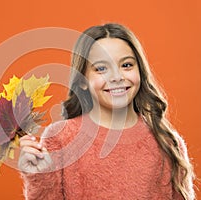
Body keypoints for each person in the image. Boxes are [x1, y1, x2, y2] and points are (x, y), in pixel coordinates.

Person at [18, 23, 195, 200]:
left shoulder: (167, 142)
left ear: (140, 72)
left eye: (126, 65)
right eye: (101, 68)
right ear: (82, 80)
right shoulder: (60, 138)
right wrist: (39, 178)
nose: (117, 77)